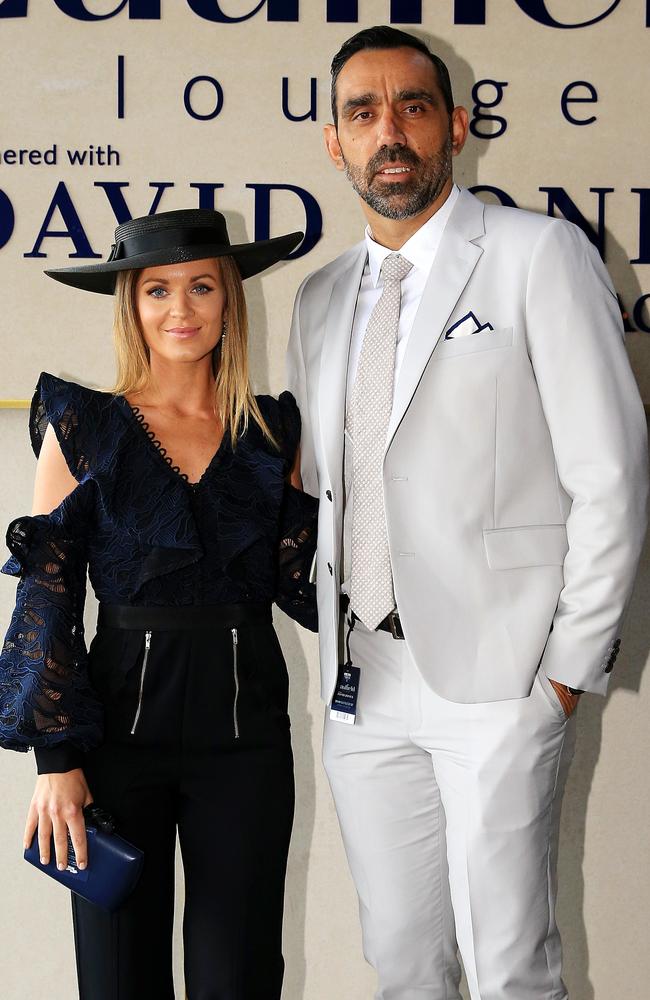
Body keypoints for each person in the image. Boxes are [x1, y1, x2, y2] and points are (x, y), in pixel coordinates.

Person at [286, 24, 648, 1000]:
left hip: (499, 678)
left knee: (507, 968)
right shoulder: (318, 300)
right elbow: (329, 488)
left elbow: (609, 473)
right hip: (364, 679)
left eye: (409, 106)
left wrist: (564, 672)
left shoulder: (536, 254)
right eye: (361, 112)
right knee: (401, 960)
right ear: (333, 141)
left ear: (452, 125)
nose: (386, 131)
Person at [0, 208, 317, 1000]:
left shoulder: (272, 432)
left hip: (247, 747)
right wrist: (57, 760)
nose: (182, 309)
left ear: (230, 300)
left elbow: (312, 583)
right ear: (130, 305)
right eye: (158, 290)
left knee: (237, 979)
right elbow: (50, 596)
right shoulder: (82, 425)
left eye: (202, 286)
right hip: (113, 747)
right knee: (116, 982)